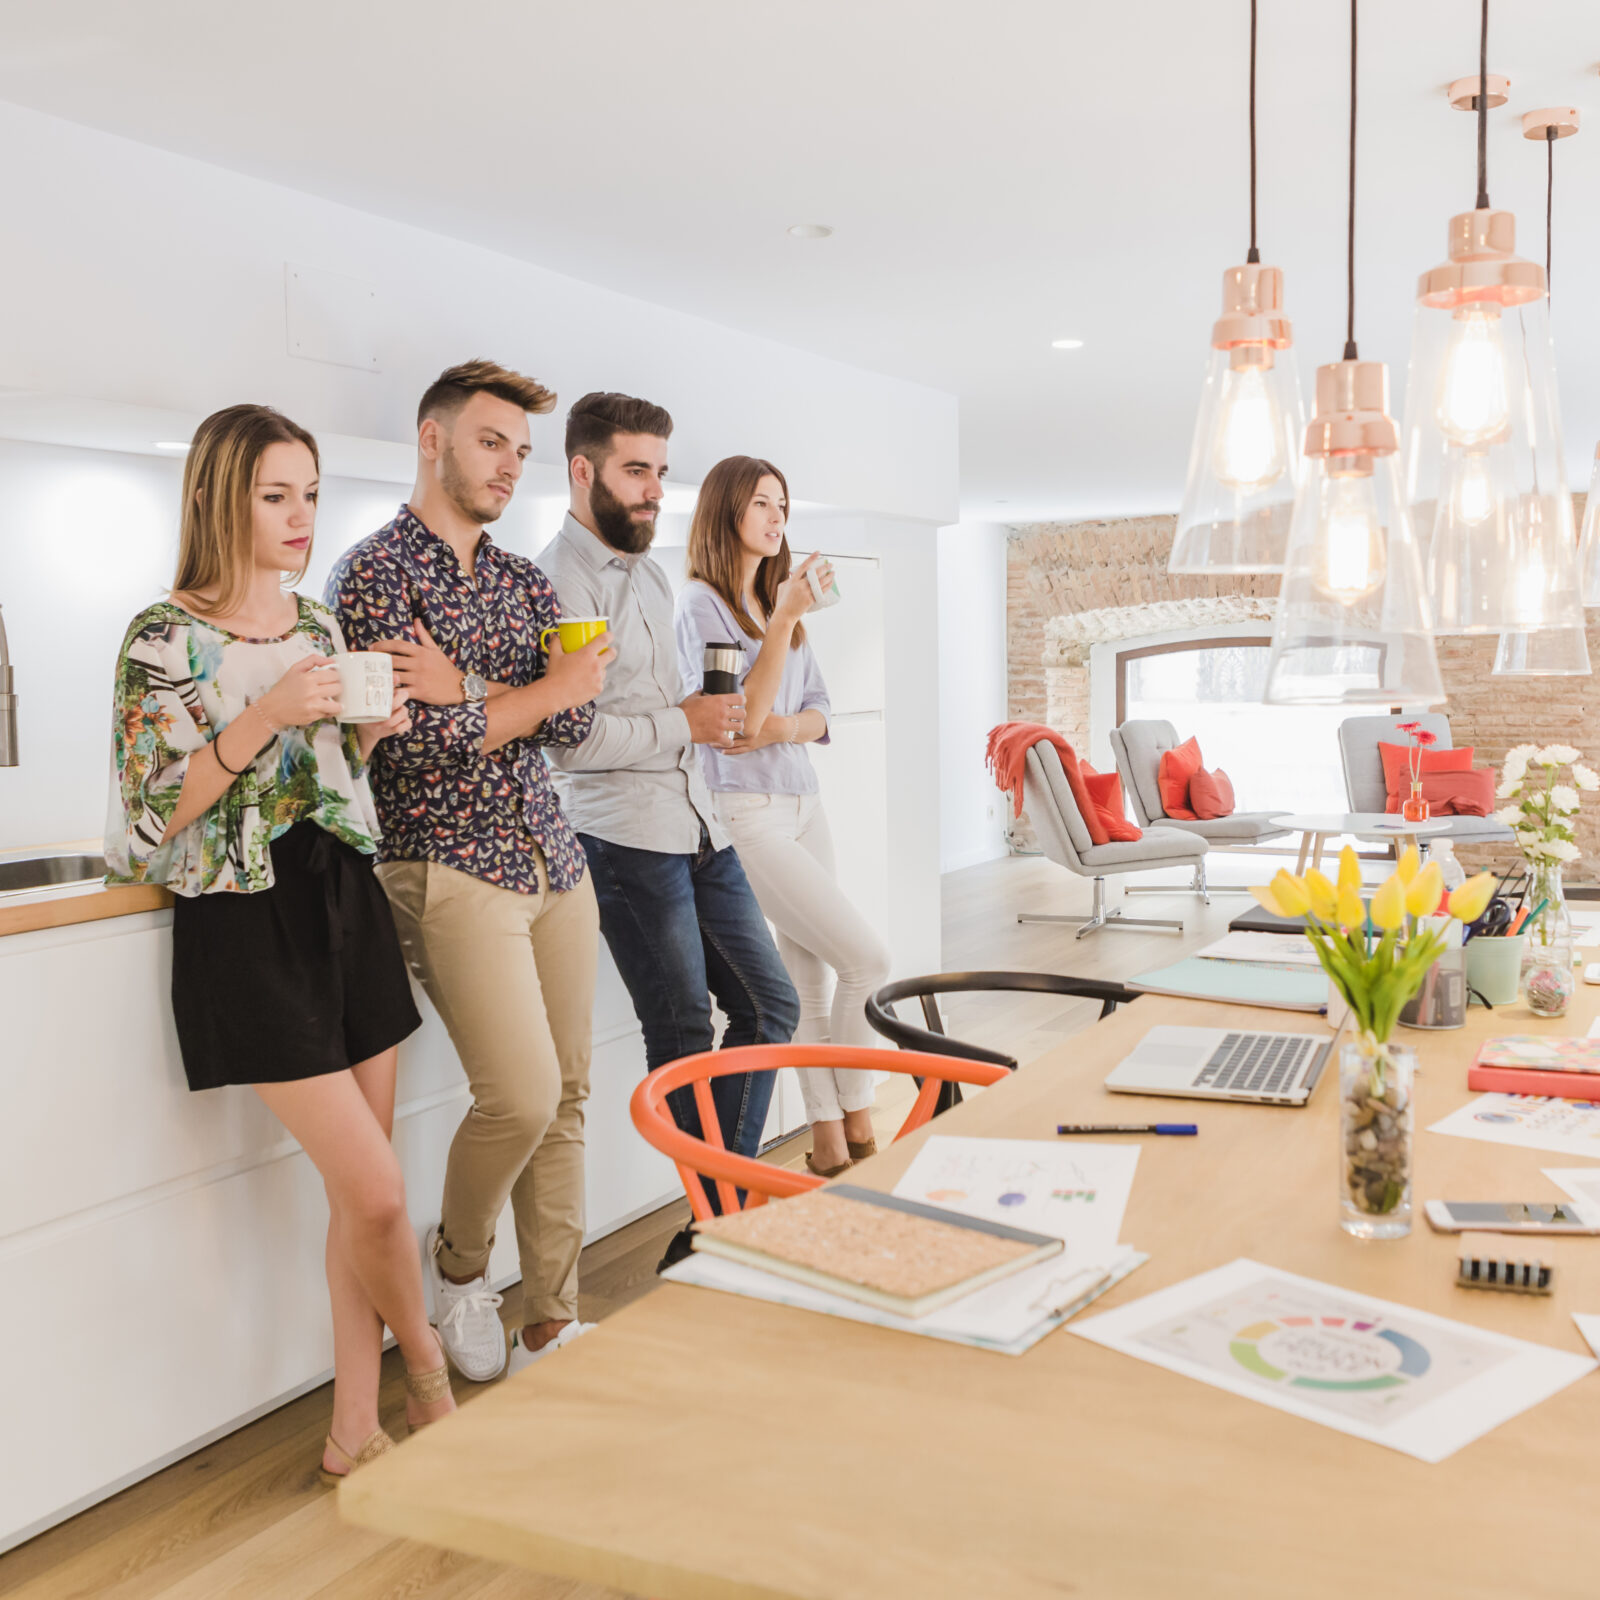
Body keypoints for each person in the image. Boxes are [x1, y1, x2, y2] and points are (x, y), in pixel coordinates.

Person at [106, 403, 452, 1484]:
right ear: (221, 496)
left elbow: (328, 769)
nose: (302, 516)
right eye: (276, 495)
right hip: (245, 917)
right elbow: (154, 810)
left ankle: (355, 1426)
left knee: (365, 1192)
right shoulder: (161, 637)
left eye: (310, 492)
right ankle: (433, 1388)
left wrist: (366, 728)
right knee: (385, 1195)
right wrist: (266, 714)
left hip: (342, 894)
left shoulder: (316, 623)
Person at [326, 361, 612, 1382]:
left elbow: (574, 721)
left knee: (570, 1094)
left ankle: (551, 1319)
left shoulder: (522, 580)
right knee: (522, 1096)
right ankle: (458, 1267)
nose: (509, 466)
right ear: (432, 439)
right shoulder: (373, 576)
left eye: (521, 451)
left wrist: (486, 691)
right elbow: (407, 746)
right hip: (445, 863)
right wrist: (533, 692)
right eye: (493, 442)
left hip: (550, 854)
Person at [536, 394, 799, 1261]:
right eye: (635, 470)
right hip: (623, 839)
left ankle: (718, 1216)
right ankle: (726, 1219)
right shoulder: (559, 582)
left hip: (698, 824)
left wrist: (704, 721)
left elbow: (668, 705)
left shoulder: (649, 573)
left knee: (771, 1004)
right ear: (583, 471)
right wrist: (684, 724)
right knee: (684, 1030)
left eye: (660, 471)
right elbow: (570, 743)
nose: (653, 490)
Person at [675, 457, 891, 1177]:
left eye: (783, 505)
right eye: (763, 503)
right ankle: (858, 1122)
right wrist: (785, 634)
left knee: (814, 980)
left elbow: (817, 710)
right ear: (726, 511)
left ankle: (828, 1141)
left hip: (803, 799)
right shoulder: (702, 606)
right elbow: (737, 724)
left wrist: (781, 724)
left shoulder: (773, 603)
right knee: (868, 959)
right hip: (748, 813)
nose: (777, 518)